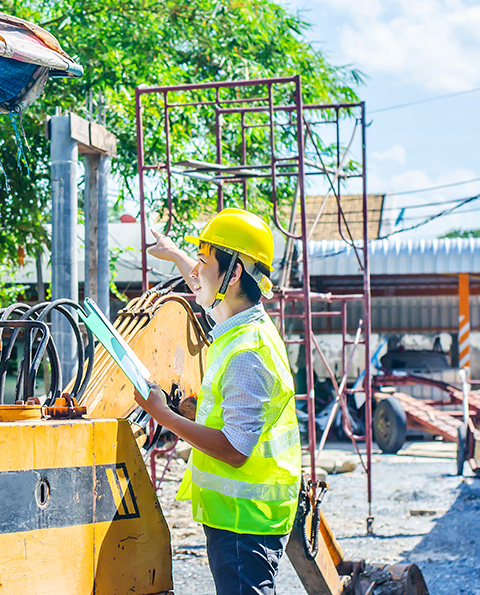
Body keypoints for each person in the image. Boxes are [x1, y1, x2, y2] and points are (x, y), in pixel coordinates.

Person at [134, 208, 301, 595]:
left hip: (246, 521)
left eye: (205, 261)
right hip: (239, 515)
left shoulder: (248, 351)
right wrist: (176, 253)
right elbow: (202, 283)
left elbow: (235, 450)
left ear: (234, 273)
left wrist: (162, 414)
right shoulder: (236, 321)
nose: (196, 271)